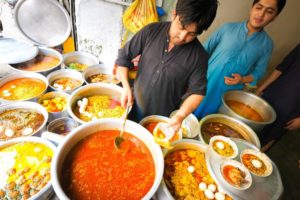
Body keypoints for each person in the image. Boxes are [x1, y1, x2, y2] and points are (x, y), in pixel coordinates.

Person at [115, 0, 218, 132]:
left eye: (192, 34)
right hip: (132, 107)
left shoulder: (199, 57)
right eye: (182, 27)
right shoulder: (151, 31)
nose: (182, 37)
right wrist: (125, 86)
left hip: (161, 122)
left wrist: (180, 115)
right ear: (174, 14)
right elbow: (123, 56)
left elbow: (198, 92)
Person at [193, 0, 286, 119]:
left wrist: (243, 79)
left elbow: (259, 72)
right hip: (204, 83)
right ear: (252, 8)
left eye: (269, 11)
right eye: (258, 8)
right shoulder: (227, 28)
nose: (261, 14)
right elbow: (204, 51)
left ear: (274, 17)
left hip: (228, 94)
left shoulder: (267, 45)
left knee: (211, 122)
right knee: (187, 117)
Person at [255, 44, 300, 150]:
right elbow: (282, 67)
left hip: (292, 111)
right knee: (250, 128)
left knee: (265, 141)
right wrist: (260, 89)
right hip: (273, 95)